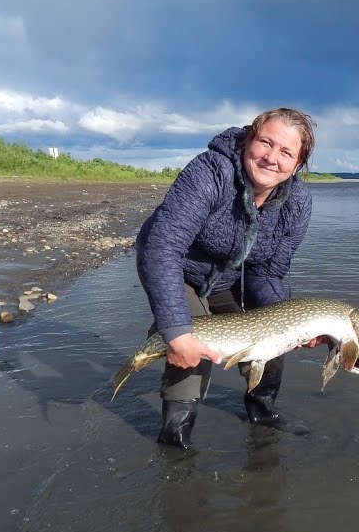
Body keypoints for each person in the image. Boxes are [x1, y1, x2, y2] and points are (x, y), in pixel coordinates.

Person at [135, 107, 319, 449]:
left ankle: (262, 413)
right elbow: (163, 249)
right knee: (191, 349)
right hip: (177, 269)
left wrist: (293, 325)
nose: (271, 158)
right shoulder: (210, 171)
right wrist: (176, 331)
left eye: (286, 153)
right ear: (249, 140)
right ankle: (175, 440)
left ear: (297, 165)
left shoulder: (298, 203)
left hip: (231, 277)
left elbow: (269, 272)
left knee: (274, 340)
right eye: (265, 142)